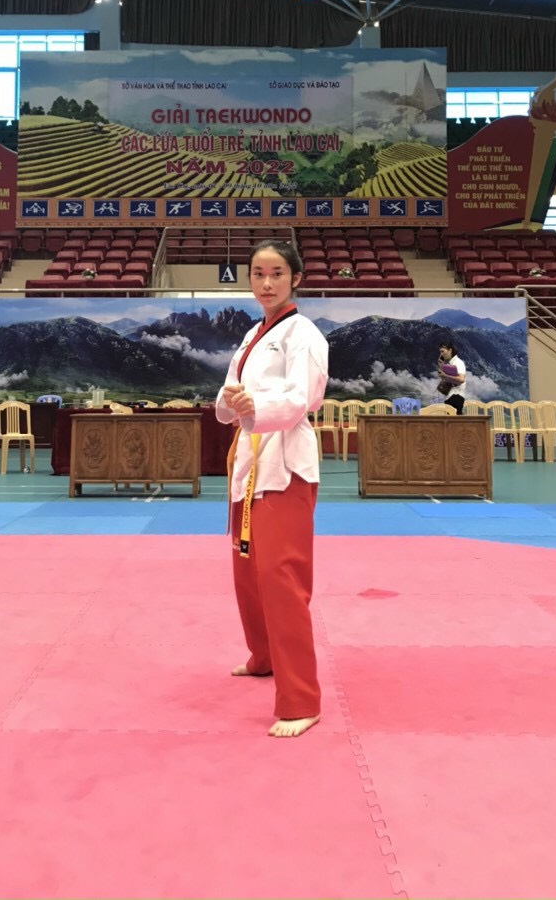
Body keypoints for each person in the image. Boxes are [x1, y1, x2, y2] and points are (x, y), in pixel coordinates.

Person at [216, 239, 328, 739]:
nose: (266, 283)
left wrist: (254, 407)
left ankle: (301, 700)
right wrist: (233, 403)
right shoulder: (250, 335)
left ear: (295, 278)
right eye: (258, 273)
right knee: (248, 571)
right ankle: (262, 655)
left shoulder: (305, 334)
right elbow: (228, 394)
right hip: (249, 458)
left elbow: (303, 399)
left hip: (285, 463)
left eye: (277, 273)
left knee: (281, 577)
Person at [436, 341, 467, 414]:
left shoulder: (458, 362)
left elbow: (461, 379)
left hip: (455, 397)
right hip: (450, 397)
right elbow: (448, 379)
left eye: (443, 351)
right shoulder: (450, 364)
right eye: (440, 352)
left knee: (454, 420)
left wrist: (445, 375)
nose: (441, 354)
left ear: (450, 350)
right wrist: (441, 365)